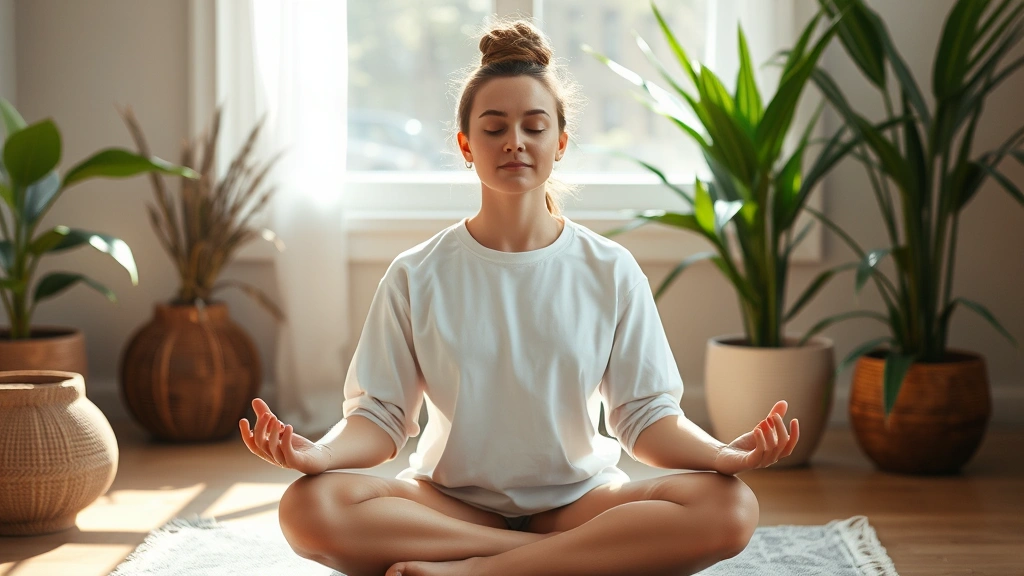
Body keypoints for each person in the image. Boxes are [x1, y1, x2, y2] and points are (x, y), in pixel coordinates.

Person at [240, 19, 799, 576]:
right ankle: (554, 565)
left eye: (534, 126)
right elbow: (380, 417)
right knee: (307, 507)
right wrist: (319, 455)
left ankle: (473, 571)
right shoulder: (416, 273)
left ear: (559, 141)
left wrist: (725, 455)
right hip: (450, 506)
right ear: (465, 144)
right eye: (493, 127)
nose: (514, 142)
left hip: (579, 506)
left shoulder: (610, 269)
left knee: (731, 506)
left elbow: (646, 417)